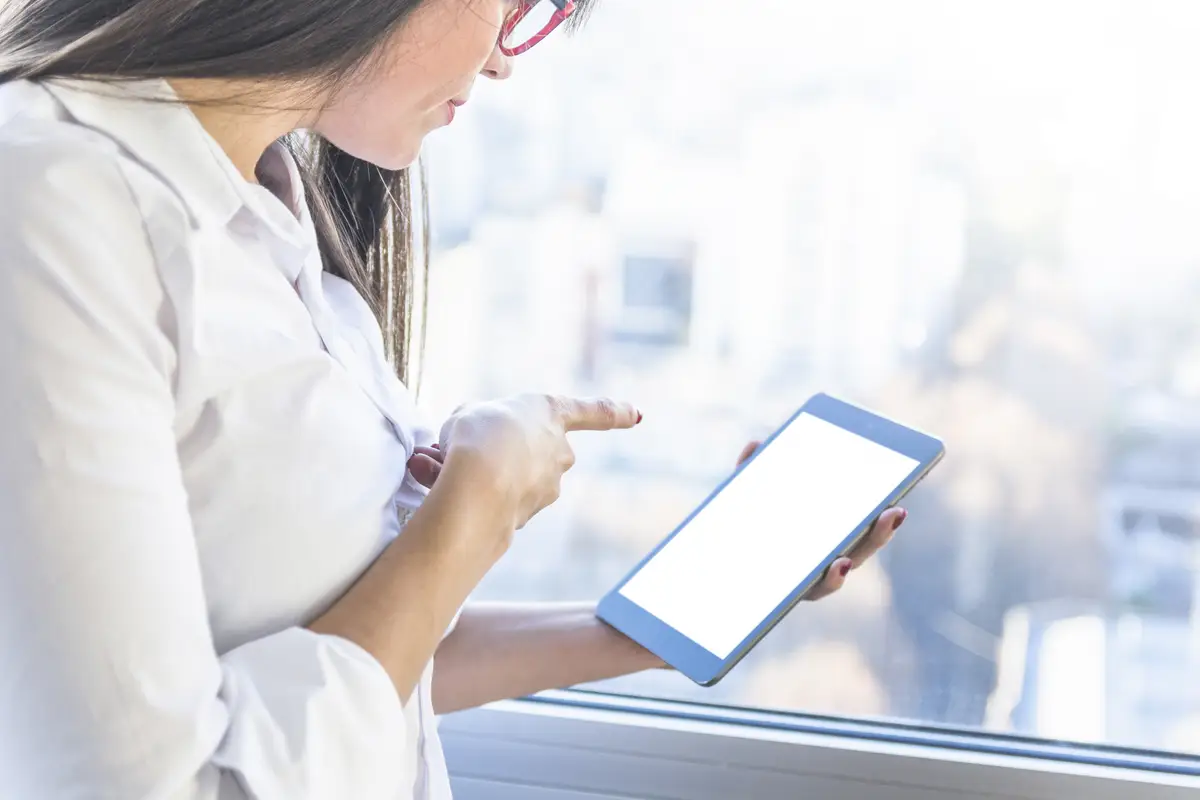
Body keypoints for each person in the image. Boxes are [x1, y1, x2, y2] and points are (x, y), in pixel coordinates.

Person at [0, 0, 907, 797]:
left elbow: (365, 671)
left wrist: (687, 615)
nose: (509, 52)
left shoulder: (262, 213)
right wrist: (470, 508)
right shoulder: (49, 200)